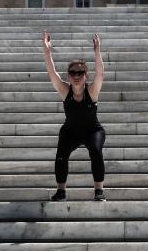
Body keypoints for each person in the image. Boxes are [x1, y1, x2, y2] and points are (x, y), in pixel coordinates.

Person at [42, 31, 107, 202]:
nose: (76, 76)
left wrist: (97, 52)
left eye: (80, 73)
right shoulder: (65, 90)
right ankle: (61, 191)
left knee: (95, 150)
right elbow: (52, 74)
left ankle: (99, 190)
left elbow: (100, 75)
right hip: (70, 131)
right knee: (61, 155)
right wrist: (47, 52)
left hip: (93, 131)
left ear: (86, 76)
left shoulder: (91, 92)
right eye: (73, 73)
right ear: (69, 76)